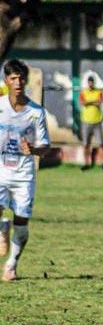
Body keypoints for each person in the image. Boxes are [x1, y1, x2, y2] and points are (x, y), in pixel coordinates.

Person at [0, 59, 50, 281]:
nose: (18, 82)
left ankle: (11, 264)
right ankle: (2, 226)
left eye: (21, 78)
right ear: (6, 81)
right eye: (13, 78)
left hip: (24, 176)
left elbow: (45, 147)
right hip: (1, 171)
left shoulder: (36, 112)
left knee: (22, 223)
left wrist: (34, 149)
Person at [79, 75, 103, 170]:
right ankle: (86, 163)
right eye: (89, 82)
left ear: (94, 83)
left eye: (92, 82)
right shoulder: (84, 92)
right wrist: (93, 102)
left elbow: (100, 102)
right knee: (86, 144)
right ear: (87, 83)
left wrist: (89, 102)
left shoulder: (98, 92)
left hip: (97, 121)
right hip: (86, 120)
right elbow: (82, 103)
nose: (90, 83)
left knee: (100, 143)